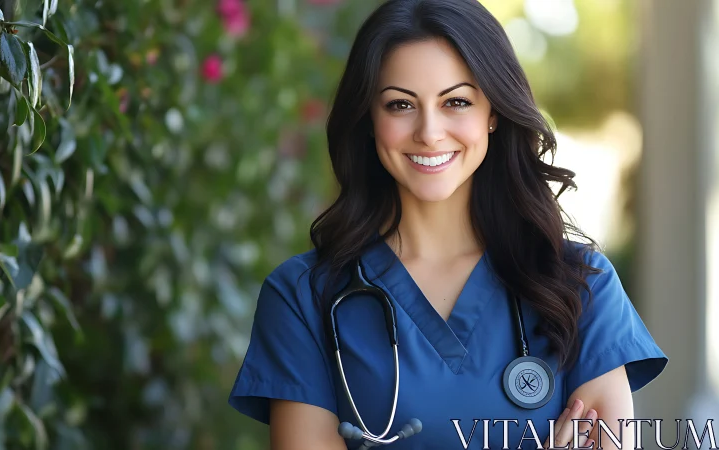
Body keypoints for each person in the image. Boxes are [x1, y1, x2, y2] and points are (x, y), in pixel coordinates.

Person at [228, 0, 669, 448]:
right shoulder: (303, 297)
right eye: (400, 104)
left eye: (456, 101)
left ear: (493, 112)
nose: (430, 132)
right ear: (368, 120)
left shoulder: (580, 286)